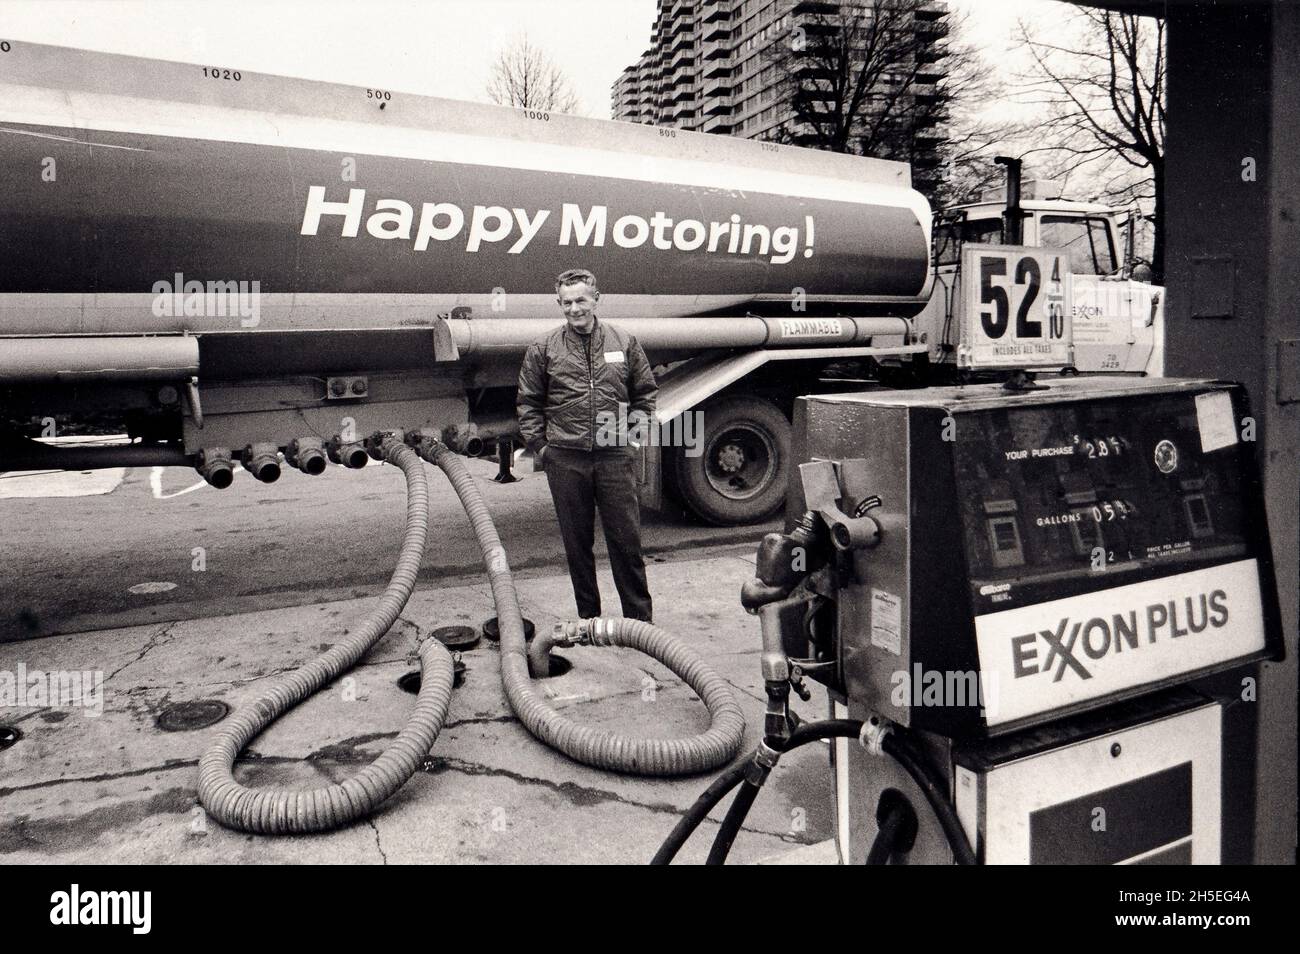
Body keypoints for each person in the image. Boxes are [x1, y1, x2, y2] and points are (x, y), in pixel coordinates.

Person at [516, 268, 657, 622]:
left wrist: (634, 438)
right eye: (566, 302)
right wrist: (543, 449)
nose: (574, 309)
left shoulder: (624, 341)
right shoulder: (543, 347)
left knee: (627, 543)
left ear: (596, 299)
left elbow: (645, 394)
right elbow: (528, 403)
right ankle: (589, 621)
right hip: (565, 459)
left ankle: (640, 624)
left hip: (614, 455)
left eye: (581, 300)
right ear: (558, 303)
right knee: (577, 547)